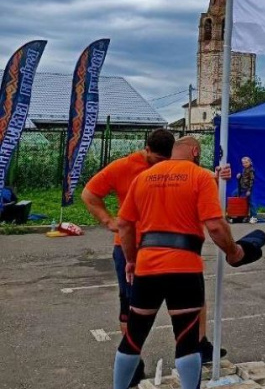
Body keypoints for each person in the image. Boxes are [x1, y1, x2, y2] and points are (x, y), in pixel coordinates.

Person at [82, 130, 228, 385]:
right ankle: (134, 366)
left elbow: (200, 180)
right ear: (146, 150)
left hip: (156, 256)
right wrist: (108, 221)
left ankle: (199, 344)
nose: (161, 165)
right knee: (130, 309)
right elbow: (90, 194)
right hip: (137, 250)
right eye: (156, 159)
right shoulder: (123, 167)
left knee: (186, 314)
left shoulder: (169, 172)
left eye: (165, 158)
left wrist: (219, 176)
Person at [112, 136, 245, 389]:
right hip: (184, 269)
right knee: (186, 339)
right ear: (195, 151)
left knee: (134, 336)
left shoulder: (144, 178)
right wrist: (233, 251)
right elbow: (216, 226)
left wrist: (131, 260)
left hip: (147, 266)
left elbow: (124, 224)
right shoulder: (199, 176)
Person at [236, 156, 258, 224]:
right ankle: (242, 215)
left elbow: (251, 180)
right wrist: (239, 176)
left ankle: (254, 217)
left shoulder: (251, 170)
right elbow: (244, 178)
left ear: (250, 162)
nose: (245, 164)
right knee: (235, 195)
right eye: (243, 163)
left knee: (251, 202)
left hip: (248, 188)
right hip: (242, 188)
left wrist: (249, 190)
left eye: (246, 162)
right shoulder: (244, 169)